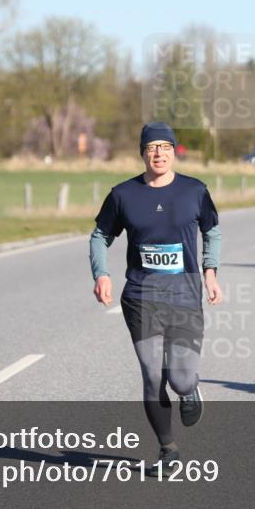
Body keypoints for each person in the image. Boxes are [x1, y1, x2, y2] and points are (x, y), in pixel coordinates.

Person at [89, 121, 223, 471]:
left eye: (165, 147)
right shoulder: (123, 194)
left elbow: (212, 232)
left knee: (178, 377)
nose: (159, 153)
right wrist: (101, 274)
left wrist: (210, 271)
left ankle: (190, 388)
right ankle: (168, 449)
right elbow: (100, 236)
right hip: (141, 296)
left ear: (174, 151)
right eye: (152, 147)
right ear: (142, 153)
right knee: (152, 375)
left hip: (184, 296)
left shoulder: (194, 191)